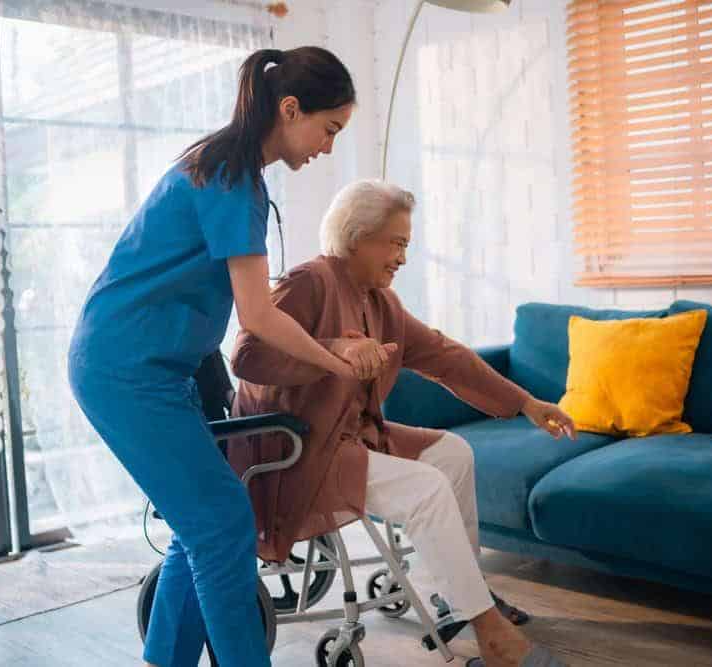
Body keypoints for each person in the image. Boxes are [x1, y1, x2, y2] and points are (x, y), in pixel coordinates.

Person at [67, 47, 365, 667]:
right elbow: (258, 315)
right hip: (125, 368)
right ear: (290, 109)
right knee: (223, 523)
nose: (327, 148)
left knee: (202, 523)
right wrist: (337, 361)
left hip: (155, 365)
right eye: (328, 129)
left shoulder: (227, 168)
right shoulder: (231, 180)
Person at [229, 179, 574, 667]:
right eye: (396, 243)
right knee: (426, 487)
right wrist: (332, 350)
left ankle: (459, 599)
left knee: (452, 453)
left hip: (349, 441)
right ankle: (491, 635)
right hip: (294, 452)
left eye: (405, 245)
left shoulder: (381, 302)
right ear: (356, 235)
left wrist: (525, 402)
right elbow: (246, 355)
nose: (403, 258)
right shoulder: (309, 282)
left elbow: (445, 355)